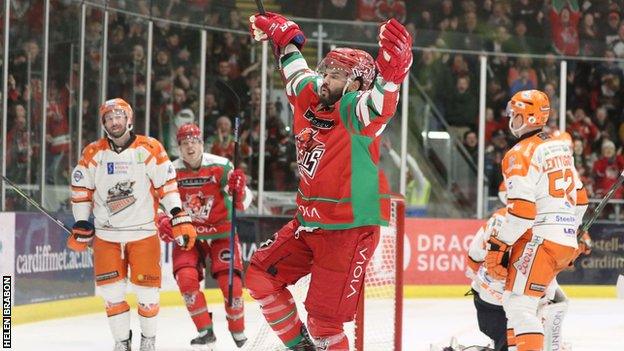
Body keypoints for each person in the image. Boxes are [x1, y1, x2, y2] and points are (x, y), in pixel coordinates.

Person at [247, 12, 412, 350]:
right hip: (309, 223)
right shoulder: (310, 93)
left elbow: (381, 105)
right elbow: (295, 68)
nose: (326, 79)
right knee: (260, 277)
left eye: (337, 75)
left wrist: (392, 77)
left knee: (324, 322)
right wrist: (284, 38)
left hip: (349, 228)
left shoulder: (355, 109)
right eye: (326, 70)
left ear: (356, 85)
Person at [67, 98, 198, 351]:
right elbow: (81, 189)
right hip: (107, 236)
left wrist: (177, 214)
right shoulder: (93, 153)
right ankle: (121, 342)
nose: (114, 121)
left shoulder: (150, 148)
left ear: (129, 119)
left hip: (143, 233)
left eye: (119, 116)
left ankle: (148, 341)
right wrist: (82, 221)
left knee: (148, 294)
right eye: (109, 117)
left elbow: (167, 186)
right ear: (104, 123)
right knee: (111, 293)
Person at [484, 90, 589, 351]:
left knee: (519, 305)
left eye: (515, 114)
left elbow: (521, 212)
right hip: (563, 241)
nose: (511, 119)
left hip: (540, 240)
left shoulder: (518, 153)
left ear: (526, 116)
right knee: (523, 301)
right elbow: (582, 200)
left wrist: (498, 246)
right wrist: (571, 233)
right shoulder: (559, 148)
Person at [156, 123, 253, 349]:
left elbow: (245, 198)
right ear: (178, 147)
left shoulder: (221, 166)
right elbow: (158, 203)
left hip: (222, 233)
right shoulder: (170, 170)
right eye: (184, 143)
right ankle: (205, 330)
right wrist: (162, 220)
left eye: (194, 141)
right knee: (186, 280)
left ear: (202, 144)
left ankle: (238, 334)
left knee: (233, 287)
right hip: (188, 235)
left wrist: (240, 193)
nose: (190, 146)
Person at [467, 182, 591, 351]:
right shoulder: (543, 222)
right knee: (547, 306)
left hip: (489, 303)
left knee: (553, 303)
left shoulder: (501, 217)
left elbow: (474, 255)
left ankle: (550, 345)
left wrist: (479, 277)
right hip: (500, 304)